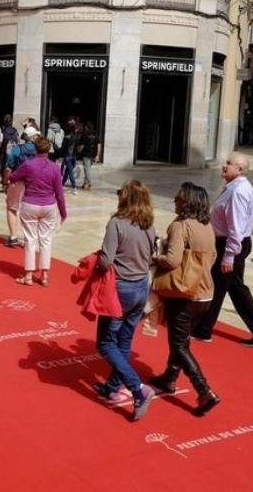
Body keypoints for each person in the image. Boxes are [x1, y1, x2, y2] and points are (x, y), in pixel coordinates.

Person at [149, 183, 221, 417]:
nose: (174, 200)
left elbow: (172, 260)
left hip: (184, 293)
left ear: (187, 202)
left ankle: (203, 390)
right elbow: (213, 257)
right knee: (183, 340)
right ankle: (169, 377)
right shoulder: (207, 226)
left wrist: (155, 256)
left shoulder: (180, 226)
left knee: (178, 344)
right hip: (206, 293)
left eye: (178, 197)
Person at [192, 152, 253, 347]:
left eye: (228, 164)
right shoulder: (236, 187)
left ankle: (204, 330)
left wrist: (229, 256)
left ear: (239, 170)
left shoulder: (238, 192)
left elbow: (236, 228)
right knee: (233, 287)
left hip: (230, 245)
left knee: (218, 286)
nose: (224, 166)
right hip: (231, 244)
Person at [92, 179, 157, 420]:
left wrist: (97, 261)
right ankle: (111, 386)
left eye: (120, 193)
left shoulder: (117, 223)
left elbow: (106, 260)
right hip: (141, 286)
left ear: (126, 198)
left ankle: (137, 387)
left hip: (119, 288)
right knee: (124, 339)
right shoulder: (149, 225)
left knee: (106, 343)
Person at [9, 136, 66, 286]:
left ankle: (28, 276)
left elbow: (13, 177)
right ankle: (44, 275)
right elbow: (59, 193)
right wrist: (63, 212)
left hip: (30, 204)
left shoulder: (28, 165)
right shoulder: (55, 167)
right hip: (48, 205)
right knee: (46, 240)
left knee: (30, 239)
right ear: (49, 150)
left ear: (35, 149)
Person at [3, 127, 38, 247]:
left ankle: (13, 237)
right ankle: (28, 240)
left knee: (12, 208)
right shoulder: (38, 150)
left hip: (17, 182)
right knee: (29, 212)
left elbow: (9, 167)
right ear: (33, 137)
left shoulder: (17, 149)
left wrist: (5, 182)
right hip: (33, 183)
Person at [76, 122, 99, 191]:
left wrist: (78, 150)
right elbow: (99, 145)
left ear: (86, 127)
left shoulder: (85, 135)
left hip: (86, 154)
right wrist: (97, 155)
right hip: (93, 154)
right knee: (88, 168)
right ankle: (85, 183)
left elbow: (82, 145)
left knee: (87, 169)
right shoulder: (95, 135)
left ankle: (89, 183)